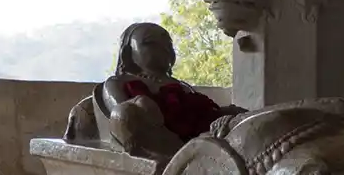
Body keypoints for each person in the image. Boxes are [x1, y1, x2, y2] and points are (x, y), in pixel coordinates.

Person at [65, 22, 243, 160]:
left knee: (239, 116)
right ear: (129, 53)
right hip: (153, 136)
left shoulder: (179, 85)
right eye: (151, 43)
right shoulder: (118, 83)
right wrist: (141, 104)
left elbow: (203, 110)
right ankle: (183, 156)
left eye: (168, 43)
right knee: (127, 111)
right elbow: (118, 112)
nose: (163, 48)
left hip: (196, 133)